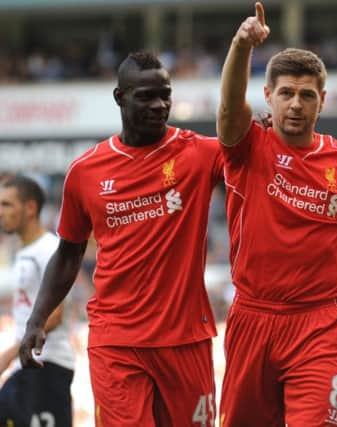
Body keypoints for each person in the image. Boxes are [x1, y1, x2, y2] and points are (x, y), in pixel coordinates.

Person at [19, 51, 224, 426]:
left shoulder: (199, 153)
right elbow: (68, 253)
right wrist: (37, 318)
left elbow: (250, 152)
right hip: (117, 341)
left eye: (165, 94)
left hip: (185, 339)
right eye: (146, 96)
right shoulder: (86, 172)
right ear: (119, 97)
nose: (159, 105)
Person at [216, 3, 337, 426]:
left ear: (322, 101)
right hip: (252, 318)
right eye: (287, 93)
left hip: (318, 326)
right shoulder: (247, 145)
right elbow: (227, 107)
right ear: (268, 96)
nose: (296, 104)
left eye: (307, 95)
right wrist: (241, 44)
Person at [0, 175, 74, 427]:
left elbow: (55, 313)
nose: (1, 212)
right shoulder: (23, 252)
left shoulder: (49, 250)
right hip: (26, 368)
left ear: (30, 208)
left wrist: (8, 355)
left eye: (7, 204)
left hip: (48, 365)